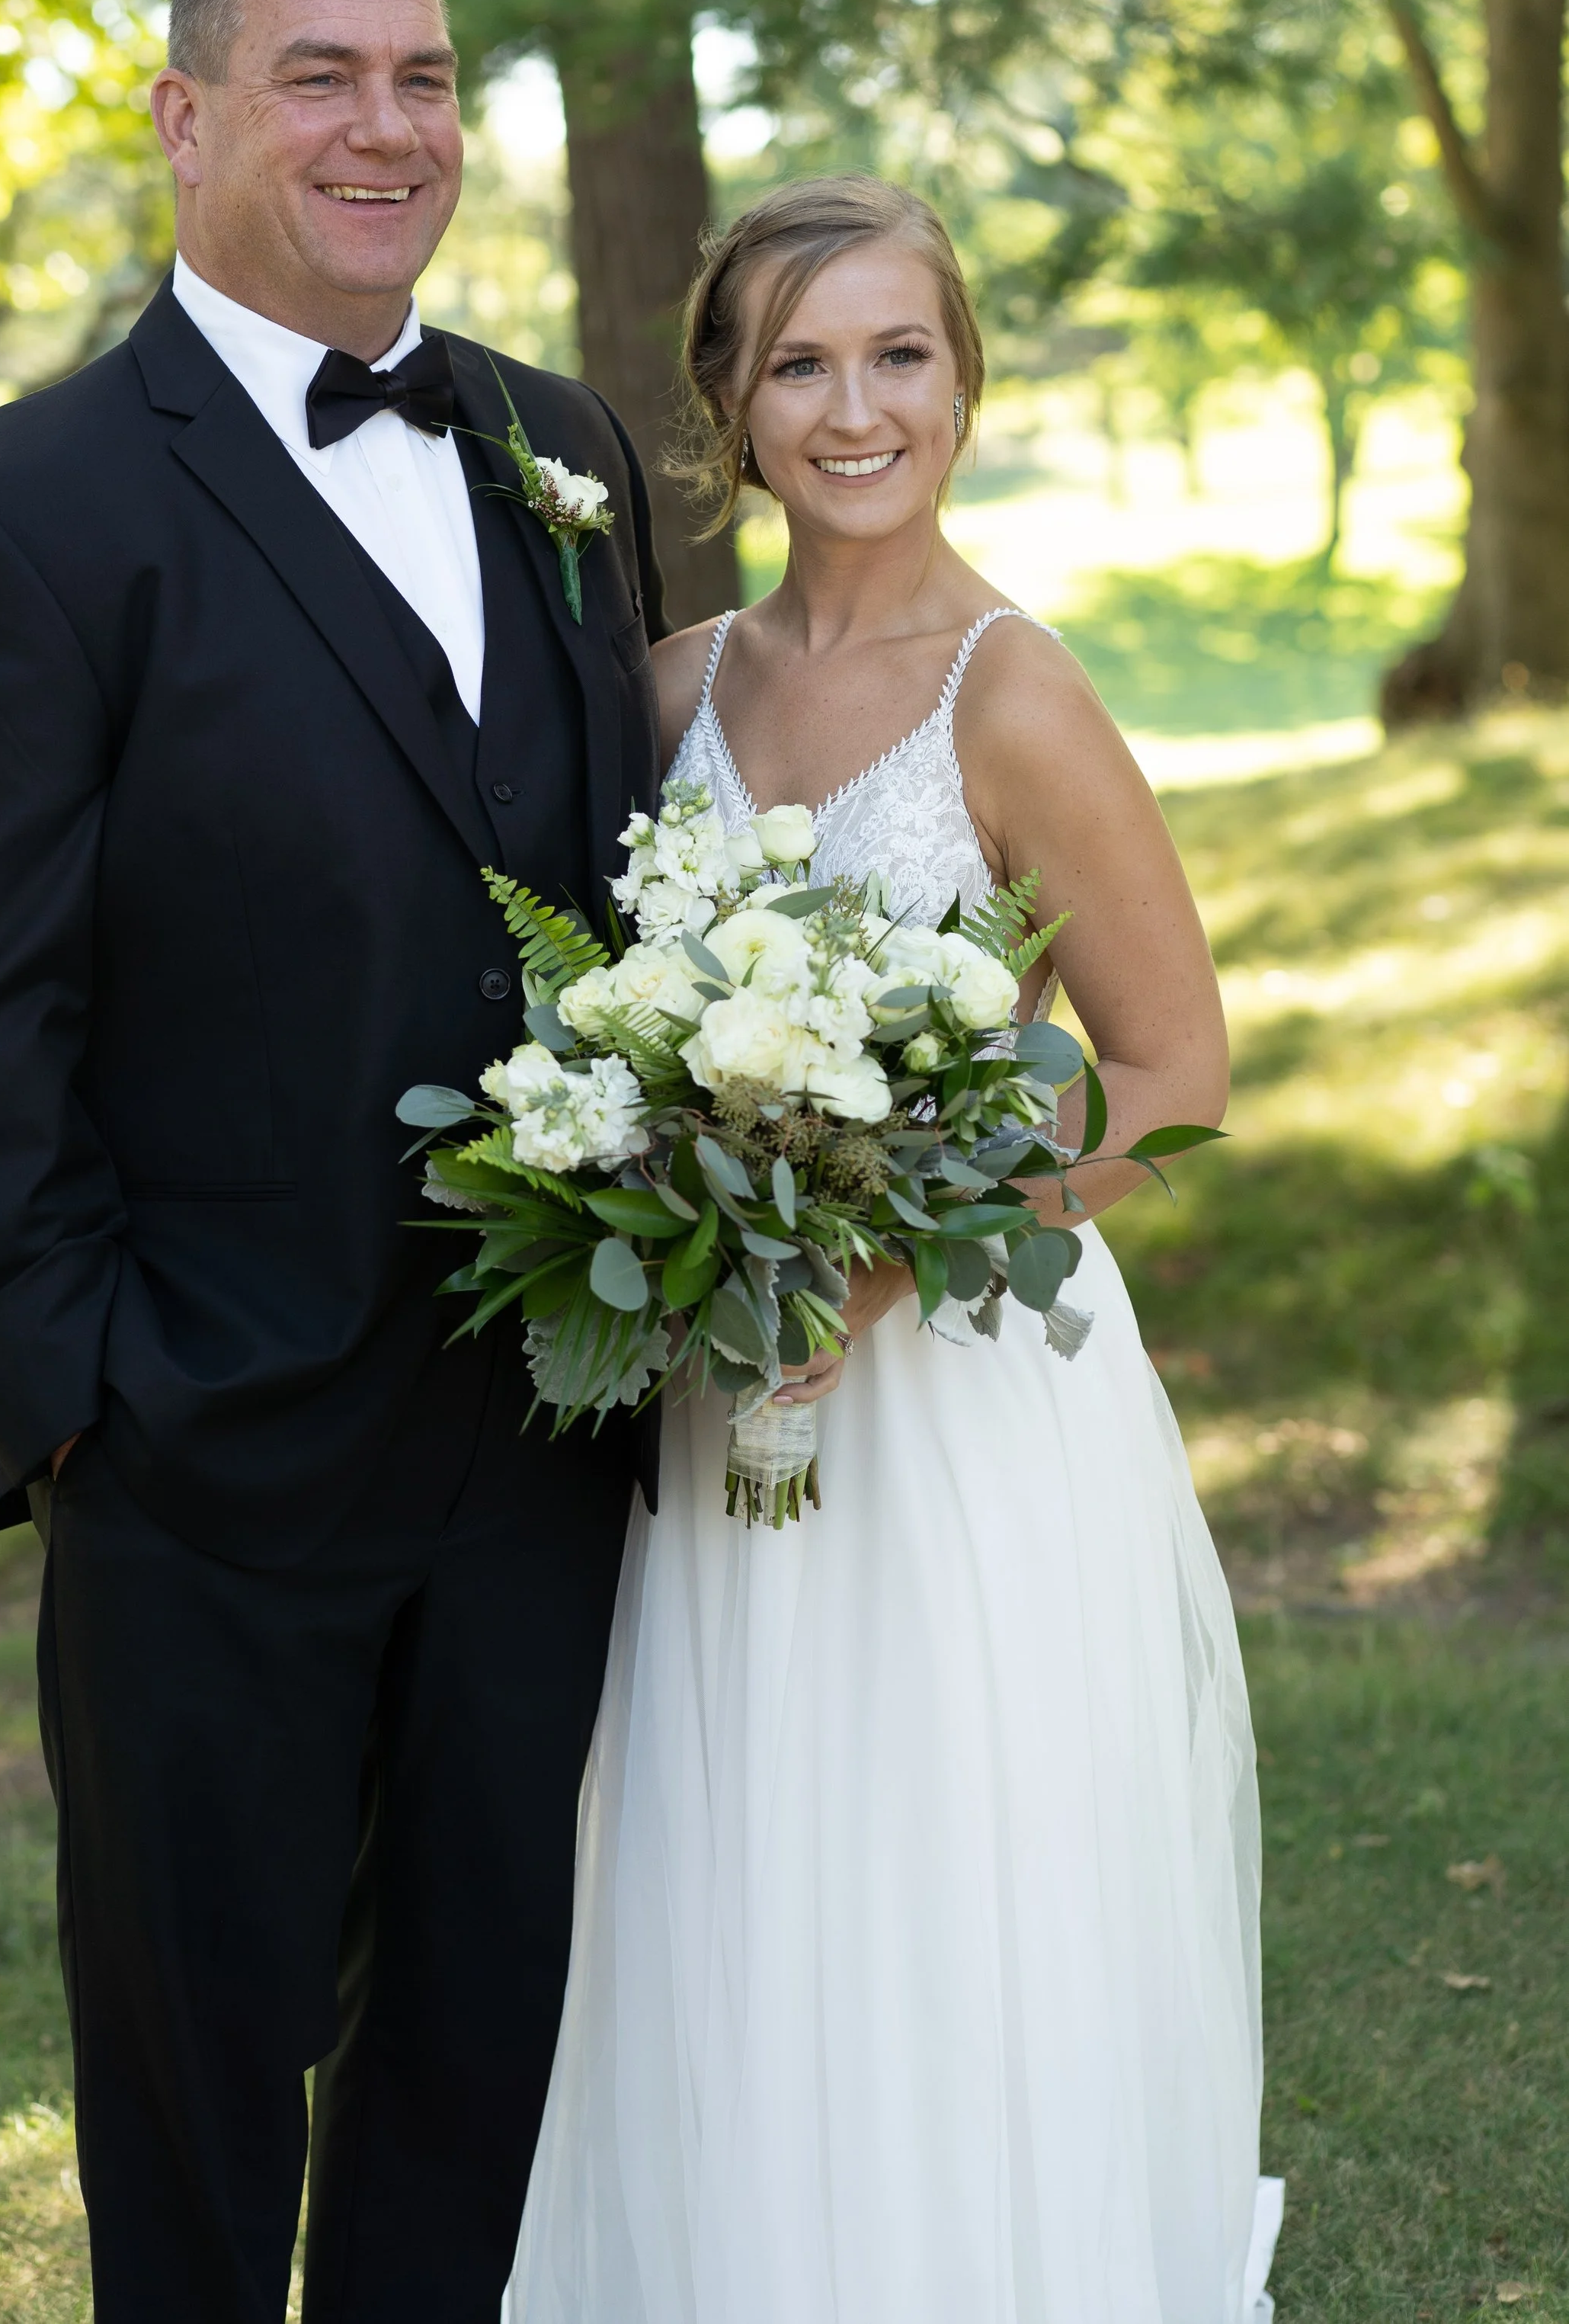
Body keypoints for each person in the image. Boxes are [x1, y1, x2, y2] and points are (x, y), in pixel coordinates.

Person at [0, 0, 665, 2324]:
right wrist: (81, 1392)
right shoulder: (21, 507)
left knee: (470, 2073)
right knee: (196, 2129)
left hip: (541, 1441)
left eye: (420, 77)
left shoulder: (558, 443)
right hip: (199, 1454)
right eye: (320, 75)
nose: (384, 125)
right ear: (185, 113)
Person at [508, 173, 1284, 2323]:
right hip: (702, 1404)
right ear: (728, 412)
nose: (855, 407)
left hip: (955, 1414)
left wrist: (904, 1238)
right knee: (719, 1892)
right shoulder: (656, 687)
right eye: (800, 363)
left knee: (946, 1897)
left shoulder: (1009, 693)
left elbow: (1168, 1066)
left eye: (899, 354)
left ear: (961, 381)